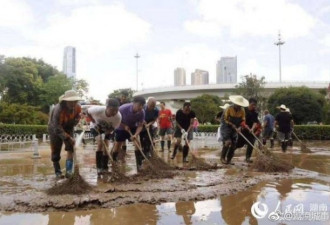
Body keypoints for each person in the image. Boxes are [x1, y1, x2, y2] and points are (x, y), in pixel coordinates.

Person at [48, 90, 82, 179]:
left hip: (69, 127)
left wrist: (76, 121)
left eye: (75, 101)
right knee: (55, 150)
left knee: (71, 147)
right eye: (71, 102)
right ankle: (58, 172)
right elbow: (56, 126)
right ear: (66, 101)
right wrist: (67, 137)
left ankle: (69, 172)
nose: (73, 104)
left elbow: (78, 116)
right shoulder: (58, 109)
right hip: (55, 129)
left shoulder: (78, 107)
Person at [87, 98, 122, 176]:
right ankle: (99, 167)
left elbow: (113, 128)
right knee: (100, 143)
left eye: (116, 110)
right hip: (95, 127)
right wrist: (93, 121)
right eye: (112, 110)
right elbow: (87, 111)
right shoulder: (98, 110)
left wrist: (107, 132)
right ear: (107, 107)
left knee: (106, 146)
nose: (114, 112)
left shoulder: (118, 117)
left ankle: (104, 167)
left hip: (108, 129)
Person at [112, 96, 146, 170]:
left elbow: (140, 126)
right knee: (118, 145)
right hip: (120, 127)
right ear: (134, 103)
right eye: (139, 105)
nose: (140, 107)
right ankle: (114, 161)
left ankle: (139, 164)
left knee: (137, 142)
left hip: (133, 127)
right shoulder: (123, 109)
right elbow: (116, 118)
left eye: (142, 105)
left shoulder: (142, 112)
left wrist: (135, 135)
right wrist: (124, 125)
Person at [220, 95, 249, 165]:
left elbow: (243, 120)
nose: (239, 106)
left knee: (234, 144)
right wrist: (231, 124)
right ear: (235, 103)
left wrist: (240, 127)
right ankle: (222, 158)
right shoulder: (229, 109)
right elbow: (225, 119)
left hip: (236, 127)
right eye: (238, 105)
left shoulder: (242, 110)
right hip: (226, 127)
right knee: (228, 142)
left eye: (240, 105)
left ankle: (229, 159)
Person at [236, 98, 260, 163]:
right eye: (252, 105)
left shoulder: (255, 113)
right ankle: (230, 152)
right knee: (239, 144)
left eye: (255, 105)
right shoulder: (243, 110)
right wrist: (241, 126)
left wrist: (252, 128)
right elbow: (240, 119)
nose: (254, 106)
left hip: (250, 131)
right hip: (242, 130)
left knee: (251, 143)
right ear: (249, 104)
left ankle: (248, 158)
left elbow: (255, 122)